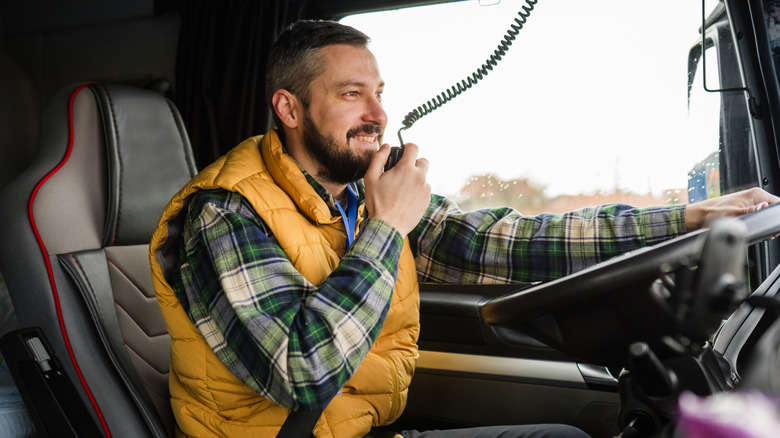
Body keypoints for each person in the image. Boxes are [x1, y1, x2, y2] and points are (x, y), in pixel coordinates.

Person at [149, 20, 780, 438]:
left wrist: (685, 218)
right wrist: (388, 228)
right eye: (351, 94)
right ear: (289, 108)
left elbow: (506, 243)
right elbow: (302, 369)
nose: (378, 114)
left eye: (379, 92)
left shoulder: (361, 195)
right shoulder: (225, 214)